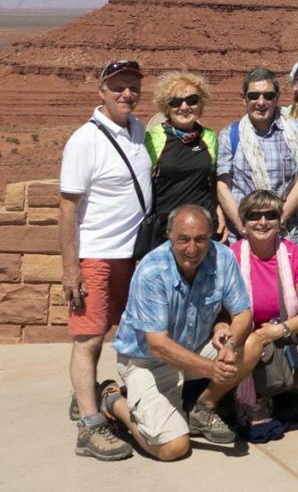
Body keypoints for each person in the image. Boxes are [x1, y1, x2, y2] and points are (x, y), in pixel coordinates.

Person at [100, 205, 252, 461]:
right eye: (183, 239)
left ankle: (203, 408)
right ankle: (114, 400)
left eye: (200, 239)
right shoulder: (152, 270)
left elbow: (243, 313)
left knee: (254, 343)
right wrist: (211, 369)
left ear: (211, 236)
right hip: (148, 361)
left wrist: (231, 344)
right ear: (169, 236)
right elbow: (157, 345)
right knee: (174, 448)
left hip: (194, 349)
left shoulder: (223, 257)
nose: (192, 248)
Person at [60, 60, 153, 461]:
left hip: (133, 257)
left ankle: (85, 396)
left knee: (125, 333)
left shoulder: (139, 130)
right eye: (118, 86)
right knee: (89, 338)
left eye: (133, 86)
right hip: (97, 254)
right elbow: (67, 209)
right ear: (101, 90)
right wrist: (71, 269)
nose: (126, 94)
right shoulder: (84, 140)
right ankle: (90, 426)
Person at [229, 190, 298, 442]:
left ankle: (280, 392)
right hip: (245, 339)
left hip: (283, 335)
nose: (262, 222)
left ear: (280, 220)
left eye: (270, 215)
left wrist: (278, 331)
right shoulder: (231, 256)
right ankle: (252, 399)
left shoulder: (295, 255)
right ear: (243, 221)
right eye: (254, 216)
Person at [217, 67, 298, 241]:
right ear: (244, 98)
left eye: (268, 96)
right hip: (241, 236)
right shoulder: (229, 135)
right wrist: (243, 226)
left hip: (286, 233)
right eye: (253, 96)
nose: (261, 102)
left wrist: (277, 222)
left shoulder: (297, 131)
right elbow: (223, 187)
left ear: (277, 97)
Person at [145, 71, 219, 245]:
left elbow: (213, 181)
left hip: (204, 230)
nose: (184, 107)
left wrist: (220, 213)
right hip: (165, 231)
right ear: (166, 107)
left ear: (201, 104)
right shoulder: (153, 138)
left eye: (192, 100)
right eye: (175, 102)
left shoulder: (209, 137)